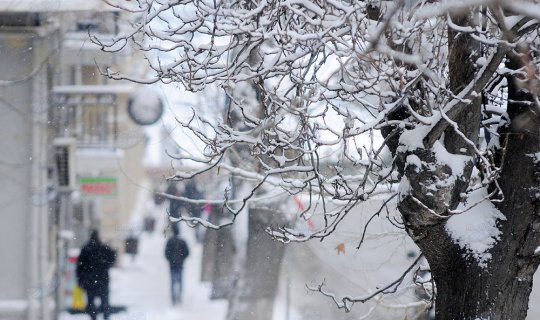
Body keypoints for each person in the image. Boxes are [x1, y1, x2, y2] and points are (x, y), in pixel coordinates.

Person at [76, 230, 116, 320]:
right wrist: (106, 265)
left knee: (91, 303)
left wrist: (80, 280)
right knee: (105, 302)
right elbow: (113, 256)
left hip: (90, 281)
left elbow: (79, 267)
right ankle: (105, 317)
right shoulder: (103, 248)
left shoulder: (86, 249)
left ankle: (94, 317)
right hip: (102, 280)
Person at [165, 227, 190, 305]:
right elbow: (187, 252)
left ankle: (173, 298)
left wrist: (170, 259)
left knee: (172, 281)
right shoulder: (182, 241)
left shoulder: (170, 241)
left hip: (172, 264)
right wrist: (182, 259)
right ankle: (179, 296)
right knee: (180, 280)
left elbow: (166, 252)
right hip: (180, 264)